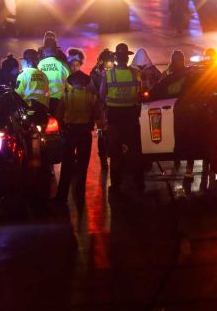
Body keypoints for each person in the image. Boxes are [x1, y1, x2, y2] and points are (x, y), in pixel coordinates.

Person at [55, 66, 104, 203]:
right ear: (84, 83)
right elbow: (97, 115)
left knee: (67, 165)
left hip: (69, 133)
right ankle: (80, 194)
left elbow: (58, 116)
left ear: (72, 83)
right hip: (84, 134)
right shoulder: (92, 97)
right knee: (83, 165)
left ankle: (61, 196)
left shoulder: (66, 96)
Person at [99, 43, 144, 192]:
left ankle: (116, 184)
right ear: (127, 57)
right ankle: (138, 182)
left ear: (116, 58)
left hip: (114, 119)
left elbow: (101, 95)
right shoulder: (136, 73)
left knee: (115, 152)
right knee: (135, 151)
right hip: (131, 117)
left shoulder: (108, 74)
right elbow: (140, 94)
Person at [37, 45, 70, 113]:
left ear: (44, 53)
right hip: (59, 100)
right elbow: (70, 83)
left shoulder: (39, 65)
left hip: (44, 100)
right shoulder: (63, 65)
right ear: (56, 52)